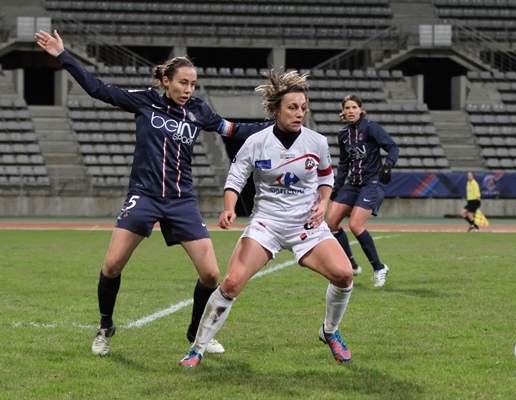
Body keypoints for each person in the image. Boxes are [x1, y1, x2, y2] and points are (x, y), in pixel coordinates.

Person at [34, 30, 269, 356]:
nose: (188, 89)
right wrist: (62, 54)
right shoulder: (144, 100)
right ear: (166, 81)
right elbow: (97, 89)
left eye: (193, 84)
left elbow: (232, 129)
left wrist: (275, 126)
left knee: (212, 274)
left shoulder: (199, 110)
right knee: (113, 265)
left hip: (181, 199)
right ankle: (105, 327)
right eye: (183, 82)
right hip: (144, 195)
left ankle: (197, 334)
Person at [179, 69, 354, 368]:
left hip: (306, 226)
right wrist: (229, 207)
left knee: (344, 274)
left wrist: (324, 203)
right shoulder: (257, 142)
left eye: (303, 107)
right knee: (232, 283)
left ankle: (330, 331)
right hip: (266, 225)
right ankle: (197, 348)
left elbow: (326, 176)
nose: (299, 113)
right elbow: (235, 179)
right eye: (292, 107)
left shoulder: (317, 142)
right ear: (276, 109)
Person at [325, 95, 399, 288]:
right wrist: (337, 186)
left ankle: (379, 267)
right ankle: (351, 264)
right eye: (347, 108)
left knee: (355, 224)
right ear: (343, 111)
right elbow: (343, 164)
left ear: (360, 109)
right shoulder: (342, 134)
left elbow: (392, 147)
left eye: (354, 107)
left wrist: (388, 166)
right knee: (330, 222)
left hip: (372, 183)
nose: (350, 111)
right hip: (353, 183)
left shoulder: (370, 127)